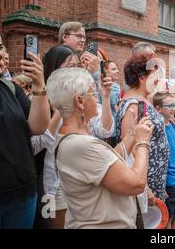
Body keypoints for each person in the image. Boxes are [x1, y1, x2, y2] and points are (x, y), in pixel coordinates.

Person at [46, 67, 154, 229]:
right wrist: (142, 143)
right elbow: (136, 184)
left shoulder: (71, 139)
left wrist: (133, 133)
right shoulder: (81, 145)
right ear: (80, 101)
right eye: (93, 94)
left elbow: (107, 162)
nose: (96, 100)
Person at [0, 22, 50, 229]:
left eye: (0, 47)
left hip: (22, 194)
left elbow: (38, 126)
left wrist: (39, 84)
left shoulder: (9, 88)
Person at [31, 44, 115, 229]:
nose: (76, 70)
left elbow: (105, 129)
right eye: (70, 66)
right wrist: (62, 107)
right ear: (54, 69)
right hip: (55, 181)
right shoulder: (39, 98)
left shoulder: (83, 98)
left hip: (85, 178)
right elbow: (37, 143)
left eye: (77, 65)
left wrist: (106, 97)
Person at [115, 52, 169, 212]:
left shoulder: (143, 100)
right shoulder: (133, 105)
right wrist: (147, 189)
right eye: (155, 75)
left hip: (154, 178)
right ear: (141, 77)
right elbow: (129, 151)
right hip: (143, 182)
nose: (158, 79)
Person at [153, 92, 175, 229]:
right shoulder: (157, 129)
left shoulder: (172, 125)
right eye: (170, 105)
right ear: (158, 109)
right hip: (169, 181)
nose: (174, 108)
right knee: (167, 217)